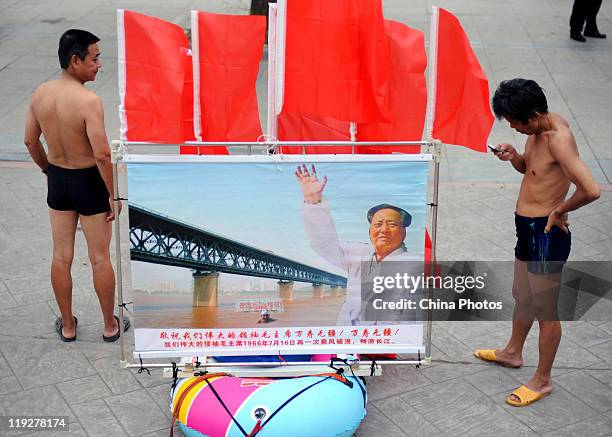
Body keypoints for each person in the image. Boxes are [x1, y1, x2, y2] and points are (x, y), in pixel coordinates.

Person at [475, 78, 600, 406]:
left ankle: (543, 380)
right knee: (522, 295)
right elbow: (533, 171)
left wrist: (561, 208)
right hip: (526, 227)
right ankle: (513, 352)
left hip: (545, 234)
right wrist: (515, 157)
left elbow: (591, 188)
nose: (513, 128)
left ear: (532, 115)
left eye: (515, 123)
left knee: (546, 310)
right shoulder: (537, 130)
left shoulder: (558, 138)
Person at [24, 29, 129, 342]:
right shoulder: (88, 101)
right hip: (89, 181)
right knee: (99, 257)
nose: (99, 65)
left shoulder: (40, 93)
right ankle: (110, 326)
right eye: (94, 59)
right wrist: (113, 194)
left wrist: (47, 170)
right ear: (75, 60)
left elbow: (30, 140)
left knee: (61, 256)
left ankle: (68, 325)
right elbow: (101, 154)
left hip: (58, 177)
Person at [295, 164, 419, 325]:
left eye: (392, 224)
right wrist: (313, 202)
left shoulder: (415, 264)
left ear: (404, 231)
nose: (383, 230)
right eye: (377, 224)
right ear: (370, 231)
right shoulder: (359, 254)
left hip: (386, 342)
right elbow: (324, 244)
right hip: (349, 339)